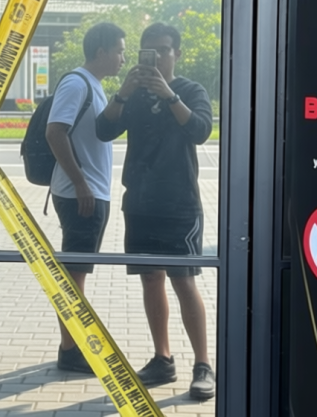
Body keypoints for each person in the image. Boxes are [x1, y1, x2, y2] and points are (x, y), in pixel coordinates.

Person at [95, 22, 216, 400]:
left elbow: (200, 131)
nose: (158, 57)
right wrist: (123, 92)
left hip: (180, 203)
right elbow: (103, 130)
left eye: (164, 50)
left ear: (177, 53)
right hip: (140, 202)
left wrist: (168, 94)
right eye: (150, 50)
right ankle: (163, 358)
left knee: (184, 280)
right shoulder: (133, 94)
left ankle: (203, 365)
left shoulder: (190, 90)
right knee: (150, 278)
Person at [46, 22, 126, 373]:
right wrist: (80, 183)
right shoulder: (77, 83)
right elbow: (55, 132)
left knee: (77, 272)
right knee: (74, 275)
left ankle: (71, 345)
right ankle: (71, 350)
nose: (123, 58)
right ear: (101, 52)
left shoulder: (95, 85)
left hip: (90, 192)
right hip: (80, 195)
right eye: (119, 51)